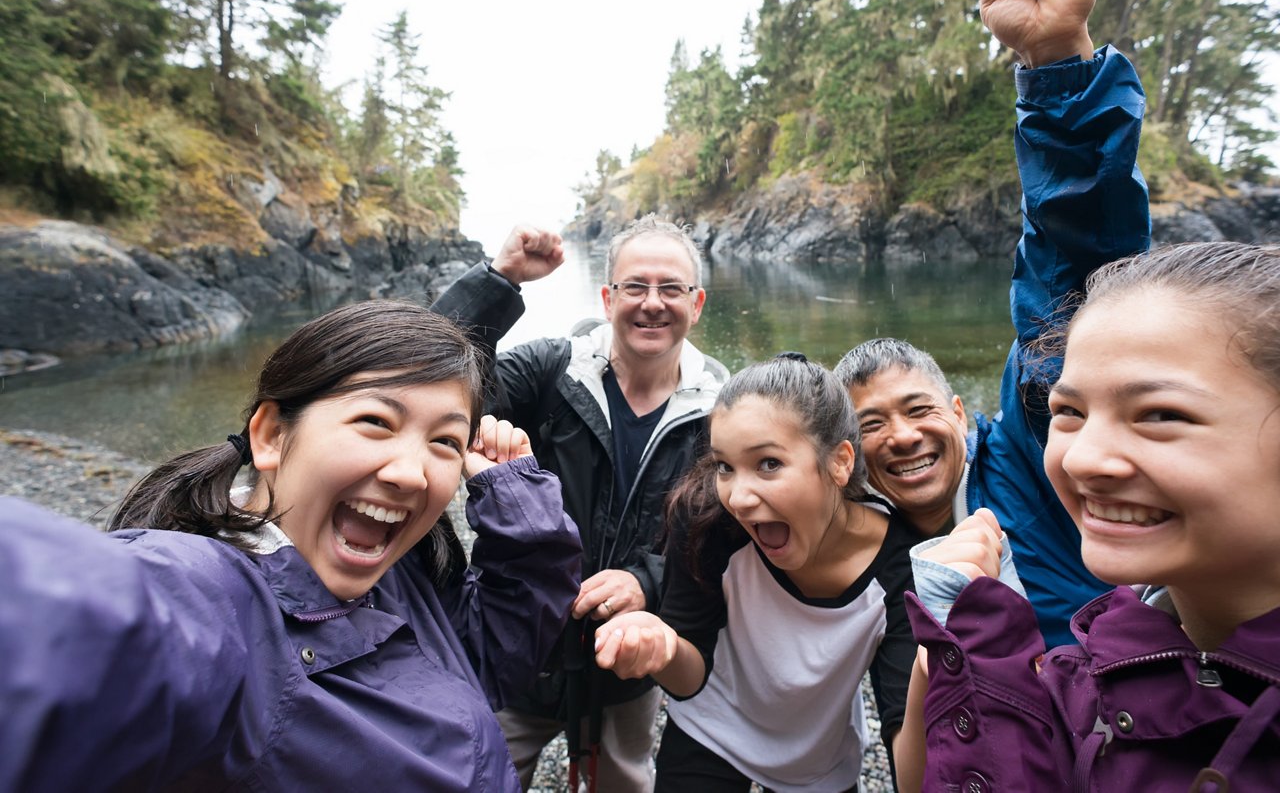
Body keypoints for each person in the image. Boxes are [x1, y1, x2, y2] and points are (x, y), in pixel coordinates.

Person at [0, 300, 582, 792]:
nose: (412, 473)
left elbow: (489, 655)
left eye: (445, 441)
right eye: (377, 421)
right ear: (271, 434)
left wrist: (517, 500)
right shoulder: (213, 598)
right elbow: (84, 627)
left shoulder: (397, 579)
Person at [833, 0, 1150, 647]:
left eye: (916, 408)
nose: (904, 436)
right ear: (847, 452)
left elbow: (1077, 275)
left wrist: (1058, 62)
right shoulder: (851, 542)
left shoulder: (1038, 458)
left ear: (959, 410)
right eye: (872, 424)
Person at [904, 241, 1280, 790]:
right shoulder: (1084, 675)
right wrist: (979, 662)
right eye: (1069, 411)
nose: (1081, 459)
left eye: (1159, 414)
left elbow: (1079, 223)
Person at [431, 217, 727, 791]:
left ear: (697, 303)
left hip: (628, 657)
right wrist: (499, 280)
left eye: (671, 289)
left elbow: (724, 530)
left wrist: (648, 580)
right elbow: (430, 368)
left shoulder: (724, 411)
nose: (652, 304)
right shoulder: (550, 369)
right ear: (608, 296)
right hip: (517, 640)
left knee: (624, 778)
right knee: (472, 773)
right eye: (635, 286)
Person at [594, 354, 919, 792]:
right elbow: (689, 678)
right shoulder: (712, 519)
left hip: (817, 761)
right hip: (710, 730)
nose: (740, 498)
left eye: (768, 463)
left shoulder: (903, 567)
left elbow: (914, 764)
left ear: (840, 462)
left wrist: (941, 662)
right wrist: (664, 647)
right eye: (725, 466)